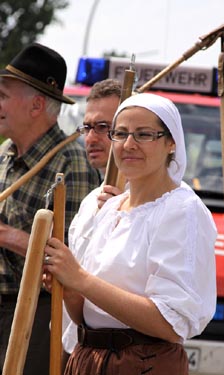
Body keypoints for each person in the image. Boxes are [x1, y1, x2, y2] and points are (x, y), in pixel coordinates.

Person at [44, 93, 217, 375]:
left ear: (171, 142)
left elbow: (169, 323)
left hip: (142, 364)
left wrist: (81, 279)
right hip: (89, 359)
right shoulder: (109, 207)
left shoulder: (181, 210)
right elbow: (85, 316)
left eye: (144, 134)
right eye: (120, 134)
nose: (128, 145)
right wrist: (68, 288)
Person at [0, 42, 100, 375]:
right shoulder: (5, 154)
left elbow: (73, 260)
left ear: (37, 105)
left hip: (37, 313)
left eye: (3, 95)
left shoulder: (72, 163)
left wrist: (7, 235)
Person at [61, 78, 122, 368]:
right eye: (87, 127)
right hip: (79, 351)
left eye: (103, 128)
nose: (90, 138)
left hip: (126, 359)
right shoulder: (89, 204)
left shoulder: (162, 202)